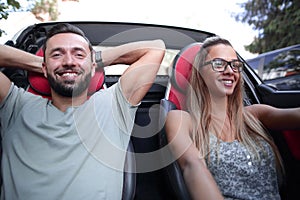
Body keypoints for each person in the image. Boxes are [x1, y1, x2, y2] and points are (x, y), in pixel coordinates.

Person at [0, 23, 165, 199]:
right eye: (57, 54)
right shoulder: (16, 105)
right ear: (44, 68)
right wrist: (43, 63)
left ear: (93, 66)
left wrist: (92, 60)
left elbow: (155, 48)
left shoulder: (114, 105)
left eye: (78, 55)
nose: (69, 62)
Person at [165, 36, 300, 200]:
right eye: (219, 64)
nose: (230, 70)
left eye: (235, 65)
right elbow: (192, 165)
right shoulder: (181, 119)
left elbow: (294, 115)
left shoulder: (254, 114)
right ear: (200, 72)